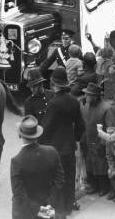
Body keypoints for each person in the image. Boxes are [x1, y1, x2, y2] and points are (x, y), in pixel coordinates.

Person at [40, 67, 85, 217]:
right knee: (69, 176)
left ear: (54, 84)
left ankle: (59, 209)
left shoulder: (54, 103)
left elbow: (47, 127)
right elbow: (80, 125)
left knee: (57, 179)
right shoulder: (74, 101)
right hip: (70, 144)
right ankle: (68, 205)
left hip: (55, 147)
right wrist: (76, 139)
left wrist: (40, 142)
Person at [10, 115, 65, 219]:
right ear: (37, 135)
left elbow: (18, 193)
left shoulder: (16, 161)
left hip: (27, 213)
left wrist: (37, 209)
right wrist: (50, 203)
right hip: (50, 208)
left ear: (20, 135)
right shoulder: (52, 151)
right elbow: (60, 180)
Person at [81, 82, 115, 196]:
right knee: (90, 165)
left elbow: (111, 128)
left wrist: (103, 144)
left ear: (96, 96)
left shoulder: (106, 108)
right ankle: (94, 186)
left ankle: (104, 187)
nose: (86, 97)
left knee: (101, 166)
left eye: (89, 95)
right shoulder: (87, 105)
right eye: (86, 94)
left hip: (100, 142)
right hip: (88, 140)